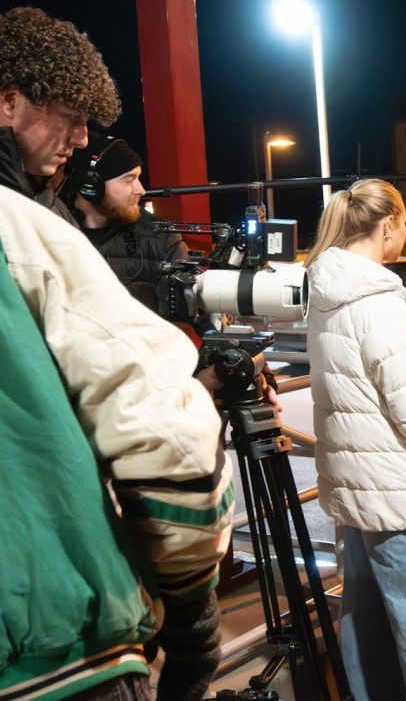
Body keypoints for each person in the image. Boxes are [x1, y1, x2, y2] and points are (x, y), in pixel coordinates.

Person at [0, 184, 234, 701]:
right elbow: (174, 444)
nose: (80, 137)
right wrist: (194, 621)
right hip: (59, 648)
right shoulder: (17, 229)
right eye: (129, 177)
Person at [305, 179, 406, 700]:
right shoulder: (377, 295)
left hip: (357, 493)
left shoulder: (326, 291)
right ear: (390, 225)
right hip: (400, 495)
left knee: (366, 629)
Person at [0, 7, 120, 225]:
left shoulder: (55, 210)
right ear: (11, 102)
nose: (82, 140)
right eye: (70, 116)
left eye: (85, 120)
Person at [64, 133, 188, 312]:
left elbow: (195, 313)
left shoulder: (162, 238)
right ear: (90, 186)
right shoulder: (51, 228)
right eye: (129, 180)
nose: (141, 190)